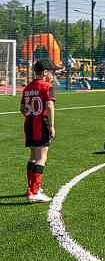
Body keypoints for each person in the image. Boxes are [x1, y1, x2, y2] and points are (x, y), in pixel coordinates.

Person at [21, 60, 56, 203]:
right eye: (52, 72)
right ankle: (34, 193)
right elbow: (50, 105)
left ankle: (31, 188)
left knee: (33, 156)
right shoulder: (47, 86)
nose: (53, 75)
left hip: (29, 124)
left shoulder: (28, 87)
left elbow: (22, 109)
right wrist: (52, 126)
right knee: (42, 157)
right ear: (46, 72)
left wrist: (31, 115)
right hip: (41, 124)